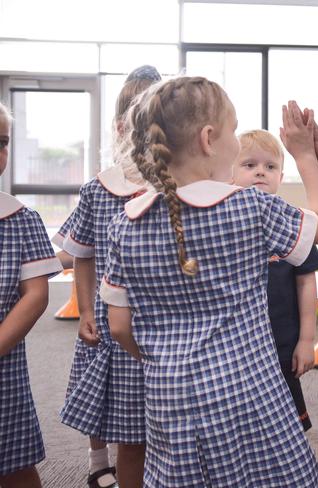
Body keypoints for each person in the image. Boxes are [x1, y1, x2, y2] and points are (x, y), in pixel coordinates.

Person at [100, 78, 318, 486]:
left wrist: (164, 358)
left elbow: (119, 326)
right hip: (249, 392)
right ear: (210, 139)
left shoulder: (124, 224)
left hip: (168, 396)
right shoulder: (250, 208)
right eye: (234, 129)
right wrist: (304, 155)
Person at [59, 65, 161, 488]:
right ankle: (98, 458)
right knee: (104, 400)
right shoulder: (98, 190)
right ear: (121, 126)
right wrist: (85, 309)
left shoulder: (168, 187)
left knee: (143, 416)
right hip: (106, 318)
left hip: (153, 321)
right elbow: (80, 256)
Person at [232, 129, 318, 431]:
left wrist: (307, 340)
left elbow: (306, 283)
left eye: (270, 167)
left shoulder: (293, 223)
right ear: (231, 172)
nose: (261, 171)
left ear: (281, 176)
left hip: (282, 343)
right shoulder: (222, 223)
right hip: (237, 346)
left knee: (287, 424)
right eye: (249, 165)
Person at [0, 101, 63, 487]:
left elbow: (36, 295)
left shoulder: (21, 219)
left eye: (2, 141)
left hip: (3, 363)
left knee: (13, 462)